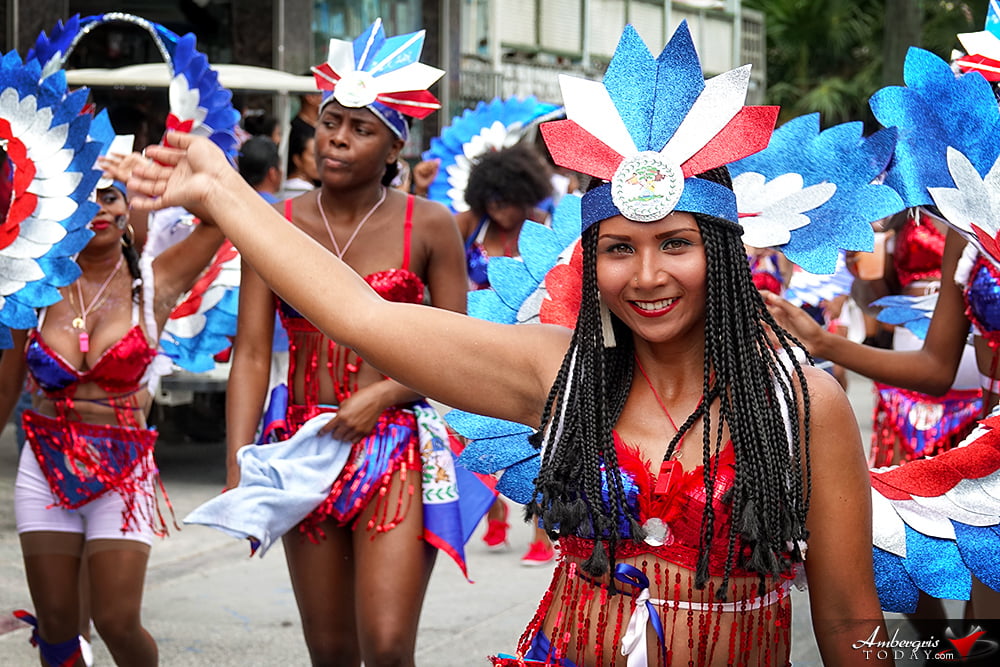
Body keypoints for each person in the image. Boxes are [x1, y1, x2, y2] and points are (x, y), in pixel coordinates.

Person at [129, 22, 888, 666]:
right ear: (592, 260)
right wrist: (221, 191)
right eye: (619, 248)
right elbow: (364, 317)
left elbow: (854, 625)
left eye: (676, 243)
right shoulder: (558, 370)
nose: (648, 275)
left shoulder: (797, 403)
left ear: (721, 250)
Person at [223, 22, 469, 667]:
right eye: (332, 121)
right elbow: (251, 352)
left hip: (396, 450)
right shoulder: (275, 223)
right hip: (303, 445)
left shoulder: (431, 224)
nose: (337, 137)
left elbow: (463, 352)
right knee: (329, 650)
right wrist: (238, 459)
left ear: (394, 149)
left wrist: (385, 395)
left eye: (361, 128)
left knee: (386, 646)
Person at [0, 157, 225, 666]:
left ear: (128, 207)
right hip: (44, 466)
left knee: (116, 621)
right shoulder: (32, 286)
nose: (98, 208)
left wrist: (163, 186)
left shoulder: (155, 283)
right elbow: (6, 388)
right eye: (85, 195)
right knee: (56, 628)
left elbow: (218, 221)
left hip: (123, 474)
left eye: (110, 196)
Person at [459, 144, 558, 565]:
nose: (498, 209)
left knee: (537, 436)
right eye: (491, 200)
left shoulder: (544, 225)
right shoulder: (469, 225)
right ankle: (494, 518)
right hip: (478, 343)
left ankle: (540, 532)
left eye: (506, 200)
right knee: (477, 434)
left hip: (529, 344)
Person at [238, 136, 283, 204]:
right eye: (279, 167)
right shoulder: (282, 211)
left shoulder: (232, 205)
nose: (282, 172)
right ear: (272, 173)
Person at [281, 123, 318, 199]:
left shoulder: (283, 186)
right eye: (313, 156)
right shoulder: (303, 190)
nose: (319, 161)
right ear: (297, 159)